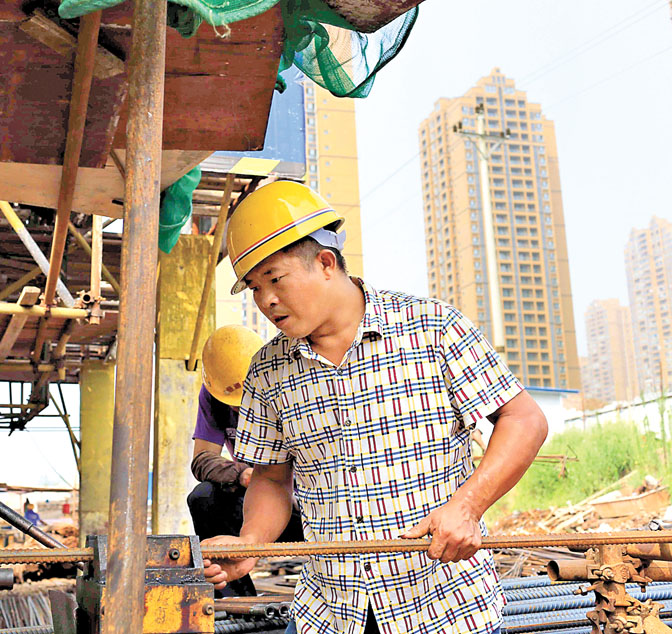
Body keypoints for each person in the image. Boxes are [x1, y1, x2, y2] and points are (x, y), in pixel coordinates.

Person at [200, 181, 548, 634]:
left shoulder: (431, 327)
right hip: (329, 612)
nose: (265, 300)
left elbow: (524, 418)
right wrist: (252, 541)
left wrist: (467, 506)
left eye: (275, 279)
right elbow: (271, 477)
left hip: (445, 610)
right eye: (253, 287)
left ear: (326, 263)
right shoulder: (268, 370)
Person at [188, 325, 304, 597]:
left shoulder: (290, 385)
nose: (243, 409)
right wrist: (243, 474)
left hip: (310, 509)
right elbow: (202, 460)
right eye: (235, 402)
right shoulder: (213, 397)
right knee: (203, 497)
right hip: (258, 509)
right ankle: (233, 599)